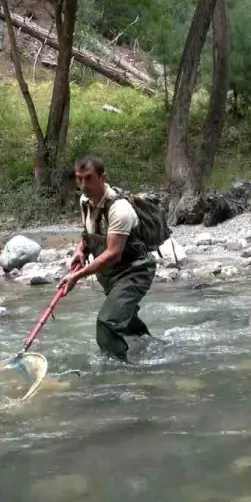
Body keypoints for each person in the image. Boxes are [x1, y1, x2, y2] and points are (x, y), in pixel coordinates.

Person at [57, 155, 157, 363]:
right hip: (111, 275)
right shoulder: (85, 201)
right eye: (79, 179)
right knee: (124, 319)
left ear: (103, 177)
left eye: (89, 178)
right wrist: (80, 251)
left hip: (134, 272)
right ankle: (151, 348)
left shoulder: (119, 210)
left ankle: (117, 374)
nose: (83, 185)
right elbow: (88, 233)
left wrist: (77, 276)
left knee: (107, 323)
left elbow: (113, 253)